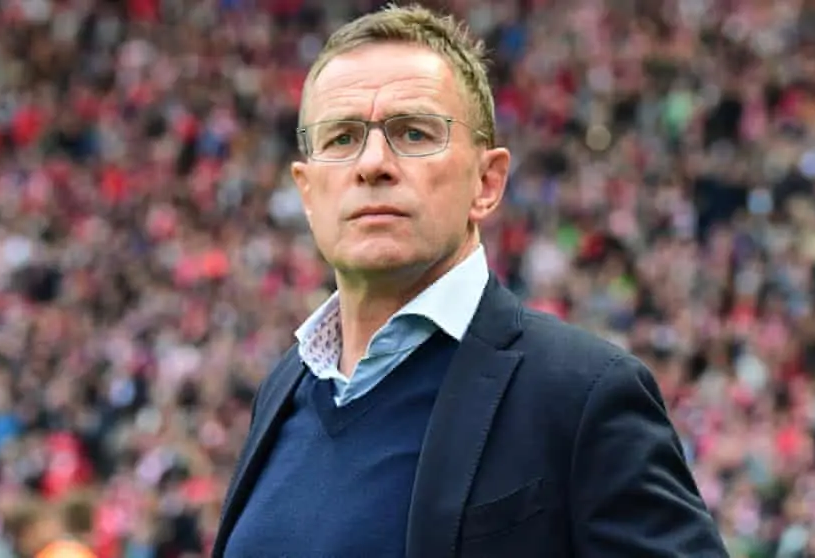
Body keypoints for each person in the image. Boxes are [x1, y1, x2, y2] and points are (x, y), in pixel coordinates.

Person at [213, 4, 729, 557]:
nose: (372, 163)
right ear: (307, 192)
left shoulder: (583, 395)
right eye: (341, 138)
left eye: (413, 133)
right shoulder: (283, 390)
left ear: (486, 182)